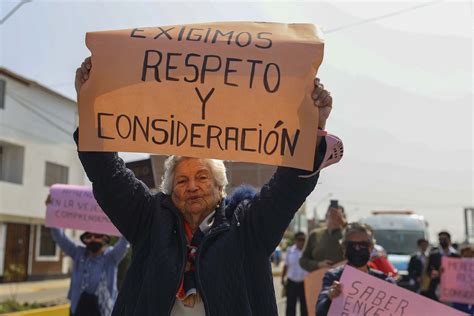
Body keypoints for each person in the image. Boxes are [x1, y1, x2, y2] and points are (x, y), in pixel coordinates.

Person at [74, 57, 343, 315]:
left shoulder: (248, 226)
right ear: (170, 191)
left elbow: (287, 189)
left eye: (202, 178)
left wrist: (312, 124)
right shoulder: (149, 221)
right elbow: (108, 176)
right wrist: (89, 104)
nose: (192, 186)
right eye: (182, 180)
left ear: (219, 188)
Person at [46, 195, 130, 316]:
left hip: (103, 311)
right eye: (88, 237)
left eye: (97, 236)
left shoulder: (111, 257)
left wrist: (126, 214)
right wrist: (51, 209)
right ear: (84, 240)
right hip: (77, 310)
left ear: (105, 239)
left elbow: (125, 240)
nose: (92, 239)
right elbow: (59, 237)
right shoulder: (78, 254)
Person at [316, 223, 396, 316]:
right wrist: (329, 297)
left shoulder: (386, 282)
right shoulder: (333, 277)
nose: (357, 249)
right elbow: (320, 311)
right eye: (352, 245)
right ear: (343, 248)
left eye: (363, 245)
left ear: (371, 248)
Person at [299, 205, 346, 272]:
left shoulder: (348, 234)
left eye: (337, 214)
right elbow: (303, 260)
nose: (334, 216)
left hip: (344, 279)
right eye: (331, 213)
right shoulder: (315, 235)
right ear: (326, 215)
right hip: (318, 279)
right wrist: (318, 264)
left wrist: (343, 223)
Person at [426, 231, 459, 301]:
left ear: (449, 240)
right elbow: (428, 270)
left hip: (452, 287)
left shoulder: (456, 256)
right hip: (437, 287)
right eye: (440, 239)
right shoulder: (433, 255)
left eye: (444, 239)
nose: (442, 241)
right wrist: (434, 273)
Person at [281, 232, 308, 316]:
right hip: (291, 283)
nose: (302, 242)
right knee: (290, 306)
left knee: (304, 307)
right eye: (300, 239)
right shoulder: (290, 250)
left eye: (303, 239)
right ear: (295, 240)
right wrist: (282, 278)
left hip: (304, 283)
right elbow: (286, 265)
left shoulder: (308, 252)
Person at [452, 245, 474, 315]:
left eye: (470, 257)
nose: (467, 259)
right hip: (459, 294)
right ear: (461, 256)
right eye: (465, 256)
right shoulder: (453, 266)